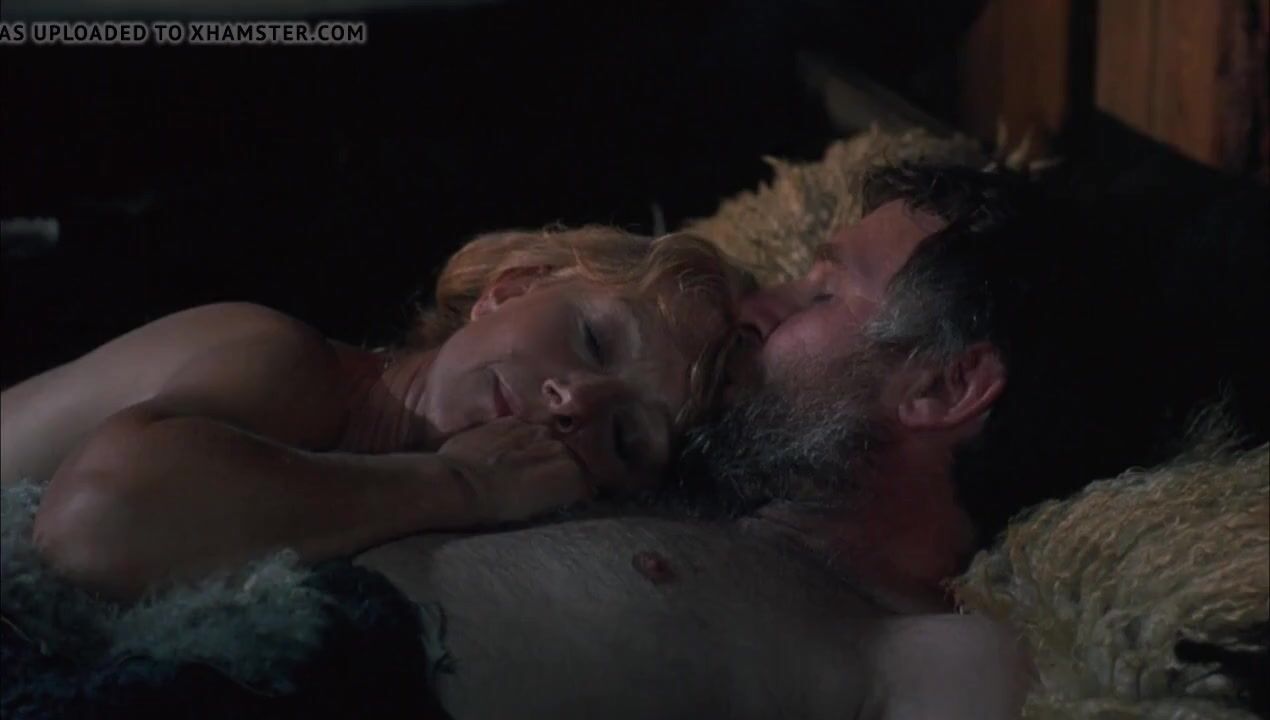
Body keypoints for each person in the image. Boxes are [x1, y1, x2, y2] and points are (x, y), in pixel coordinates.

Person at [350, 164, 1042, 718]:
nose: (755, 310)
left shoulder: (928, 652)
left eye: (822, 296)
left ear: (944, 387)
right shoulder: (604, 464)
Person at [0, 226, 750, 599]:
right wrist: (458, 484)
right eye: (592, 341)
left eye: (626, 435)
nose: (574, 402)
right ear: (511, 290)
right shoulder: (286, 362)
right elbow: (95, 523)